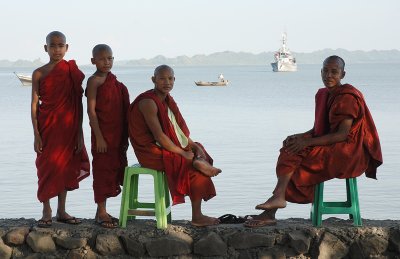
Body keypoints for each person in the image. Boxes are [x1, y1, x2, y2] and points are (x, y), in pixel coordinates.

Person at [245, 55, 383, 227]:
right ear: (320, 72)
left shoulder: (347, 96)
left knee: (298, 155)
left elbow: (342, 135)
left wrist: (306, 143)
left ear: (343, 74)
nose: (329, 75)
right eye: (325, 71)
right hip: (334, 143)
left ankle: (273, 206)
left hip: (349, 152)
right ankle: (275, 202)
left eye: (334, 71)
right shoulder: (323, 94)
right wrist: (300, 136)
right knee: (290, 147)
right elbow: (320, 130)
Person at [128, 65, 222, 227]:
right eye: (162, 78)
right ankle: (197, 216)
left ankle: (198, 160)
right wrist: (183, 153)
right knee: (190, 165)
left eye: (170, 78)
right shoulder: (148, 102)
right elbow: (160, 136)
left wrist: (194, 147)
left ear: (174, 80)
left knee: (197, 146)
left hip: (162, 146)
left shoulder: (167, 101)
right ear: (153, 80)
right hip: (149, 152)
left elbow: (177, 132)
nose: (167, 82)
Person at [31, 31, 90, 228]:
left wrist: (79, 133)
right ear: (46, 48)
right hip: (47, 127)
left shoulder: (71, 70)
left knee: (64, 167)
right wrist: (36, 134)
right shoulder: (39, 73)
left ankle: (61, 210)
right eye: (53, 45)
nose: (57, 49)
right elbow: (33, 105)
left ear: (67, 47)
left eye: (60, 45)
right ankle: (46, 209)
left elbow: (78, 104)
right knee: (46, 167)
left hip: (68, 128)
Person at [85, 44, 130, 228]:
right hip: (102, 136)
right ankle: (102, 211)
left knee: (113, 170)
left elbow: (123, 112)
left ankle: (100, 212)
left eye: (110, 58)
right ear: (93, 61)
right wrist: (99, 137)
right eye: (102, 59)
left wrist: (125, 138)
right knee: (102, 172)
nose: (107, 62)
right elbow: (91, 111)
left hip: (117, 136)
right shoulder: (94, 81)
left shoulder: (116, 84)